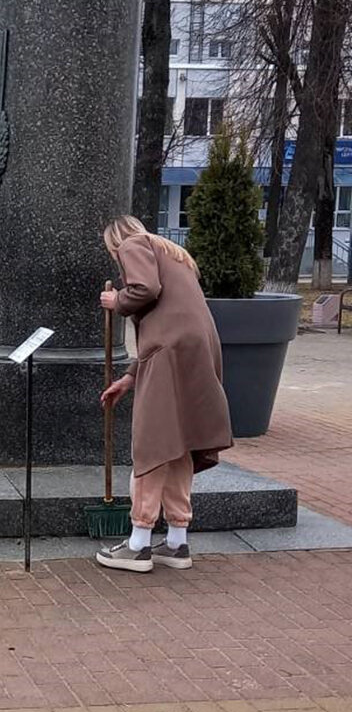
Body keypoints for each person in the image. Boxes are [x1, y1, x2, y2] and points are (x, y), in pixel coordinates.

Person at [96, 216, 232, 573]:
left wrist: (116, 300)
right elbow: (169, 321)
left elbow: (145, 290)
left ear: (115, 241)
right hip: (197, 350)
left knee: (153, 443)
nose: (118, 259)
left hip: (171, 353)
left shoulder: (133, 243)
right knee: (177, 444)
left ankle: (138, 544)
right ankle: (176, 540)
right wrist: (130, 377)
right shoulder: (174, 254)